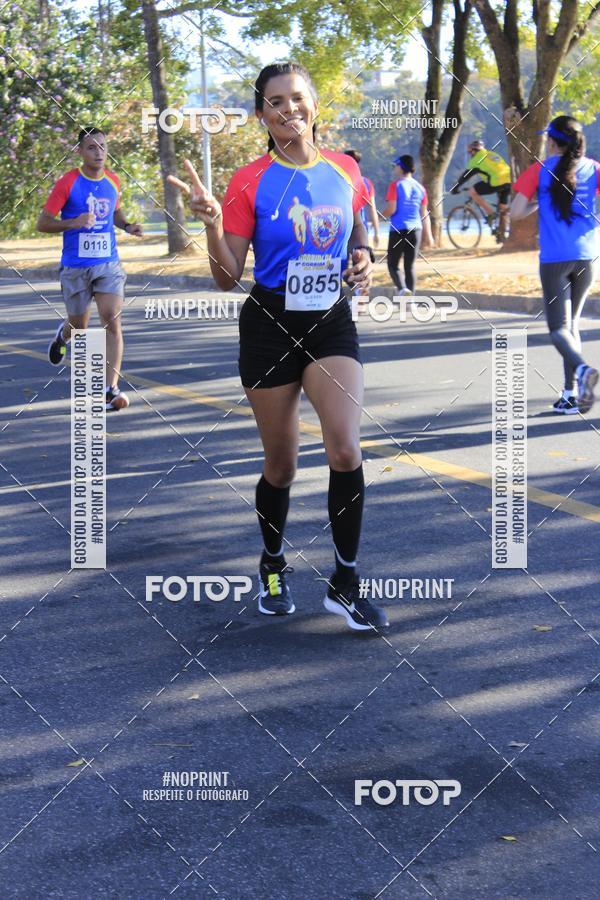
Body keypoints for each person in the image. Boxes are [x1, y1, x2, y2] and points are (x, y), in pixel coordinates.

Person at [168, 62, 389, 631]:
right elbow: (225, 276)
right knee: (282, 464)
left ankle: (345, 580)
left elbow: (357, 230)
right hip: (269, 324)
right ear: (261, 114)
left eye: (297, 98)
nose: (288, 109)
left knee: (345, 448)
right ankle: (272, 563)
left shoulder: (345, 171)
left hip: (330, 321)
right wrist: (214, 224)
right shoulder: (248, 181)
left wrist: (363, 258)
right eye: (275, 102)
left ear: (315, 104)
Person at [37, 127, 143, 411]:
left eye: (103, 147)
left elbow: (115, 212)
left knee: (111, 319)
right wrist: (72, 222)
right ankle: (63, 335)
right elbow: (43, 222)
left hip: (107, 262)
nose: (99, 153)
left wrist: (127, 225)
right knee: (79, 326)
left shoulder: (113, 180)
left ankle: (110, 389)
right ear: (80, 152)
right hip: (75, 266)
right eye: (92, 147)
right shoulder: (68, 183)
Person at [512, 115, 599, 414]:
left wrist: (541, 201)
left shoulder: (539, 169)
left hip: (554, 260)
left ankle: (583, 370)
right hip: (588, 256)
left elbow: (516, 211)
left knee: (558, 328)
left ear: (552, 142)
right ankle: (570, 394)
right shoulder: (594, 168)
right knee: (571, 325)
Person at [382, 154, 433, 295]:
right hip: (416, 230)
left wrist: (379, 216)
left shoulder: (395, 185)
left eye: (395, 166)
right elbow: (424, 214)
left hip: (398, 230)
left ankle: (402, 289)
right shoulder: (420, 188)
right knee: (409, 266)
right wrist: (429, 236)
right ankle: (410, 300)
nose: (394, 169)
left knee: (392, 265)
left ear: (401, 167)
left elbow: (392, 209)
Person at [451, 139, 511, 236]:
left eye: (470, 152)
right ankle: (503, 234)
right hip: (509, 180)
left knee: (472, 191)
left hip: (497, 181)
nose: (470, 155)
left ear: (473, 151)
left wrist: (456, 187)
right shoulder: (491, 154)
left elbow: (466, 176)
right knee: (503, 208)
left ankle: (490, 213)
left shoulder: (476, 159)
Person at [344, 149, 380, 248]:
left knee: (342, 261)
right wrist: (376, 233)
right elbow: (372, 209)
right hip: (360, 229)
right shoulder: (366, 182)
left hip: (345, 228)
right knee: (360, 260)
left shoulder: (340, 179)